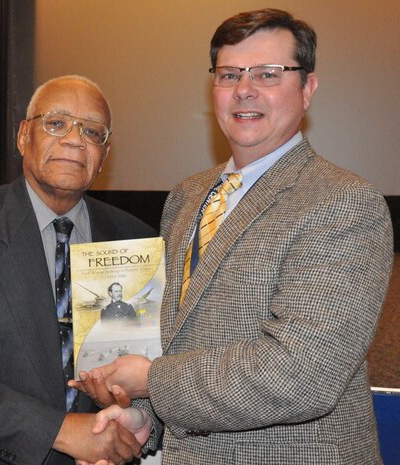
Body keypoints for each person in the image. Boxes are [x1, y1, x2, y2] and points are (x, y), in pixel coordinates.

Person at [71, 9, 394, 465]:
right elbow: (176, 333)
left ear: (308, 89)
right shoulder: (187, 196)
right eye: (229, 74)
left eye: (268, 73)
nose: (245, 89)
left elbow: (301, 373)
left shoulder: (342, 202)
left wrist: (153, 383)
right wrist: (145, 419)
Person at [0, 75, 157, 465]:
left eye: (92, 131)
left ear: (104, 154)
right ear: (23, 136)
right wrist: (61, 430)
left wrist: (134, 405)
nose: (74, 139)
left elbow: (149, 365)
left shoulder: (135, 238)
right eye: (56, 123)